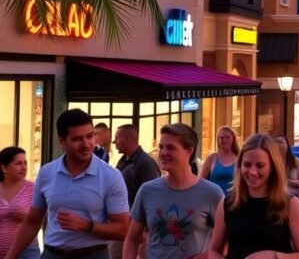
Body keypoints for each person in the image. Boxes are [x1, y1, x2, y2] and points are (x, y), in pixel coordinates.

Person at [3, 109, 129, 259]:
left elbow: (123, 230)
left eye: (90, 136)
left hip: (94, 254)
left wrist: (86, 225)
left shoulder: (111, 176)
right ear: (62, 142)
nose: (86, 144)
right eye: (77, 139)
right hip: (52, 254)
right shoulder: (47, 173)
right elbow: (32, 221)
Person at [123, 123, 223, 259]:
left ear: (189, 151)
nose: (163, 152)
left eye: (170, 148)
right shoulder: (147, 190)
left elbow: (227, 241)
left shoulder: (211, 193)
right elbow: (132, 239)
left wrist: (208, 256)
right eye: (161, 147)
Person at [208, 134, 299, 259]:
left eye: (260, 165)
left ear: (272, 167)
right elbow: (213, 251)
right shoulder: (227, 203)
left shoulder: (290, 204)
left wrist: (274, 256)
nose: (252, 172)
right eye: (247, 164)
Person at [111, 124, 161, 259]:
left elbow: (152, 196)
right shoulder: (122, 161)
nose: (114, 142)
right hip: (121, 224)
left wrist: (145, 229)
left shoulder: (145, 163)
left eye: (117, 138)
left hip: (136, 227)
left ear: (127, 139)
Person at [0, 147, 39, 259]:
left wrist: (27, 217)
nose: (24, 167)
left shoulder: (32, 188)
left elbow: (42, 219)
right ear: (4, 168)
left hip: (26, 251)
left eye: (25, 163)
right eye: (18, 163)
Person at [201, 126, 239, 196]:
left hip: (233, 201)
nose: (224, 140)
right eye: (221, 138)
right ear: (218, 140)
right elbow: (201, 180)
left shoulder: (240, 159)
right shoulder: (211, 158)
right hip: (213, 200)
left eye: (227, 137)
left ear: (233, 139)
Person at [275, 136, 299, 204]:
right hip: (277, 197)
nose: (278, 145)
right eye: (275, 142)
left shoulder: (296, 161)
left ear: (287, 145)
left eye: (281, 142)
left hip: (296, 196)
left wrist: (289, 181)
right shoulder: (270, 163)